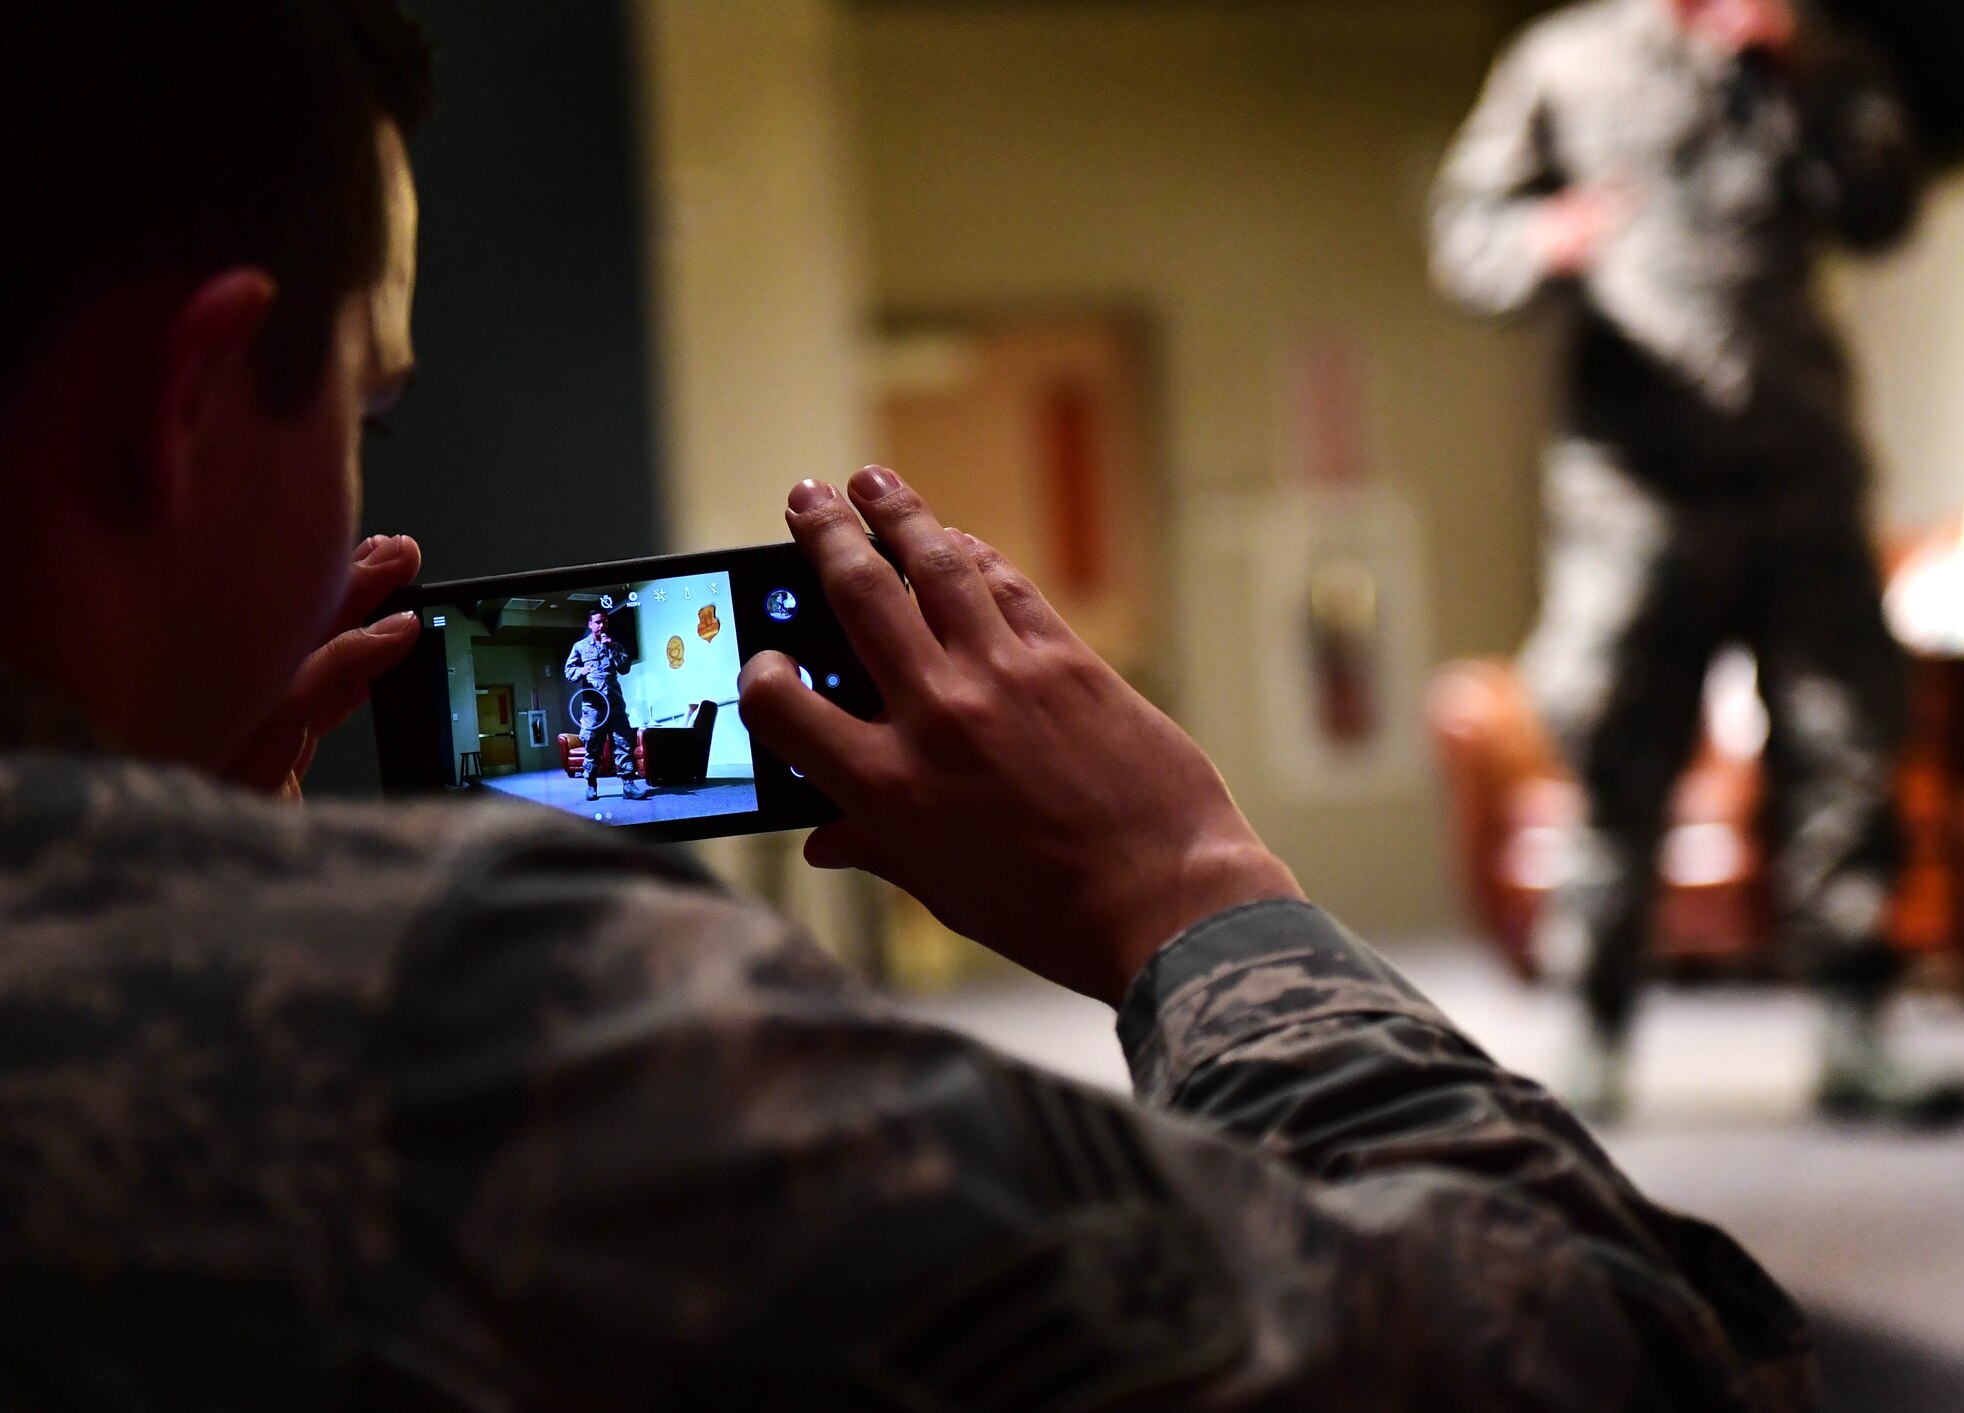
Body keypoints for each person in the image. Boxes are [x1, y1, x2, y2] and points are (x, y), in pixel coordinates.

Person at [0, 0, 1814, 1406]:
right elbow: (1624, 1350)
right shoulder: (460, 1015)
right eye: (359, 410)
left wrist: (163, 831)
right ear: (190, 398)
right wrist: (1191, 887)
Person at [1430, 0, 1962, 1122]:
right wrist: (1541, 243)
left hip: (1800, 467)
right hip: (1637, 486)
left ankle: (1854, 1027)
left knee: (1842, 747)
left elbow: (1881, 217)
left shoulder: (1822, 58)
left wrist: (1799, 82)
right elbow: (1466, 233)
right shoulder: (1563, 62)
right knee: (1615, 748)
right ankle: (1594, 1026)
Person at [565, 607, 642, 801]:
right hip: (593, 708)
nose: (602, 625)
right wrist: (581, 671)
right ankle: (591, 785)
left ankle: (628, 785)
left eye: (605, 622)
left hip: (615, 704)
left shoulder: (615, 645)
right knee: (592, 746)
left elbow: (625, 668)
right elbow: (569, 671)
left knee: (623, 743)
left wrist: (613, 648)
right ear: (590, 625)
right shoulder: (580, 647)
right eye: (598, 622)